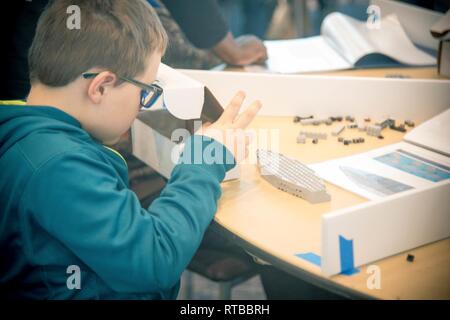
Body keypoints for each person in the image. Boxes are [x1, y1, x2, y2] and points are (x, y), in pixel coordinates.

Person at [0, 0, 261, 300]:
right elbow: (155, 260)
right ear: (100, 87)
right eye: (146, 91)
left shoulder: (31, 137)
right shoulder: (58, 166)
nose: (142, 106)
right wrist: (202, 162)